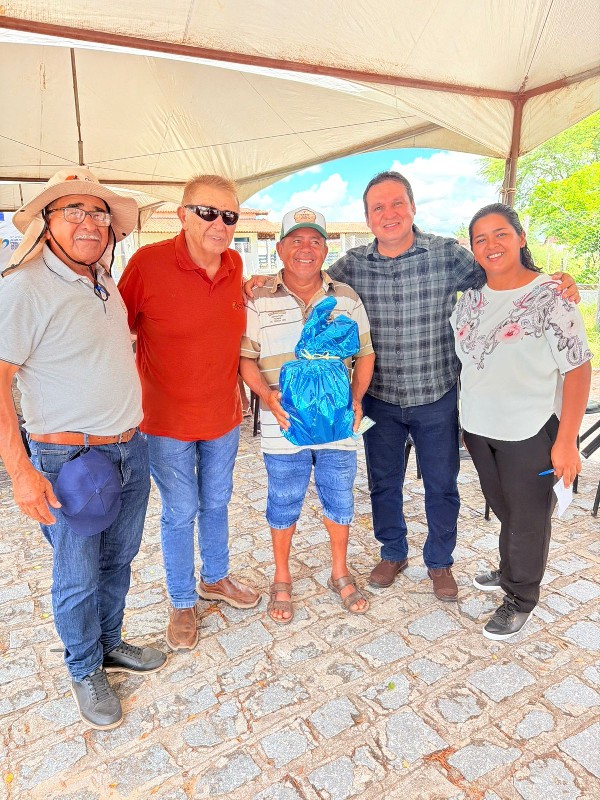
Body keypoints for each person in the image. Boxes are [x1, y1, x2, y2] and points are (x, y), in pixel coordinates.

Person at [245, 171, 578, 603]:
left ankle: (440, 562)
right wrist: (256, 280)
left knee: (442, 485)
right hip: (379, 399)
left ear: (413, 207)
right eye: (378, 208)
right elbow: (307, 272)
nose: (389, 214)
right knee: (384, 484)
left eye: (397, 203)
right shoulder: (350, 266)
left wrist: (552, 280)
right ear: (368, 218)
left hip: (436, 395)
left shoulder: (448, 255)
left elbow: (502, 267)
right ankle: (393, 553)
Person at [0, 169, 166, 731]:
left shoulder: (101, 279)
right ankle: (83, 667)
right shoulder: (24, 287)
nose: (89, 223)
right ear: (47, 224)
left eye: (98, 213)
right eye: (72, 211)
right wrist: (20, 471)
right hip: (68, 460)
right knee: (77, 576)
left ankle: (109, 643)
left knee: (118, 560)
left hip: (128, 448)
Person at [118, 175, 259, 653]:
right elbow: (113, 330)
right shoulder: (147, 263)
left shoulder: (235, 264)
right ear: (182, 215)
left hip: (223, 415)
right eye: (208, 212)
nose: (220, 224)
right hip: (165, 422)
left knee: (217, 502)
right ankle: (181, 599)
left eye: (229, 216)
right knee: (180, 511)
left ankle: (214, 578)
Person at [451, 203, 591, 639]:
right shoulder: (469, 300)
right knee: (506, 508)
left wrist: (566, 440)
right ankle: (510, 567)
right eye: (480, 239)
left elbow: (578, 368)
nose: (491, 245)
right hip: (479, 429)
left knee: (529, 517)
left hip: (530, 429)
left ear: (521, 237)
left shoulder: (551, 296)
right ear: (473, 249)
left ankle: (521, 596)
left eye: (501, 234)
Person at [239, 207, 375, 623]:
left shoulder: (346, 297)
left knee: (340, 497)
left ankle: (339, 571)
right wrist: (267, 396)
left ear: (325, 249)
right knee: (283, 500)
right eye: (296, 240)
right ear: (280, 248)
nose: (306, 248)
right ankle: (282, 577)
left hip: (338, 423)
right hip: (282, 423)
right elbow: (245, 359)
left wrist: (357, 398)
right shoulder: (258, 297)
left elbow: (366, 354)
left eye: (315, 240)